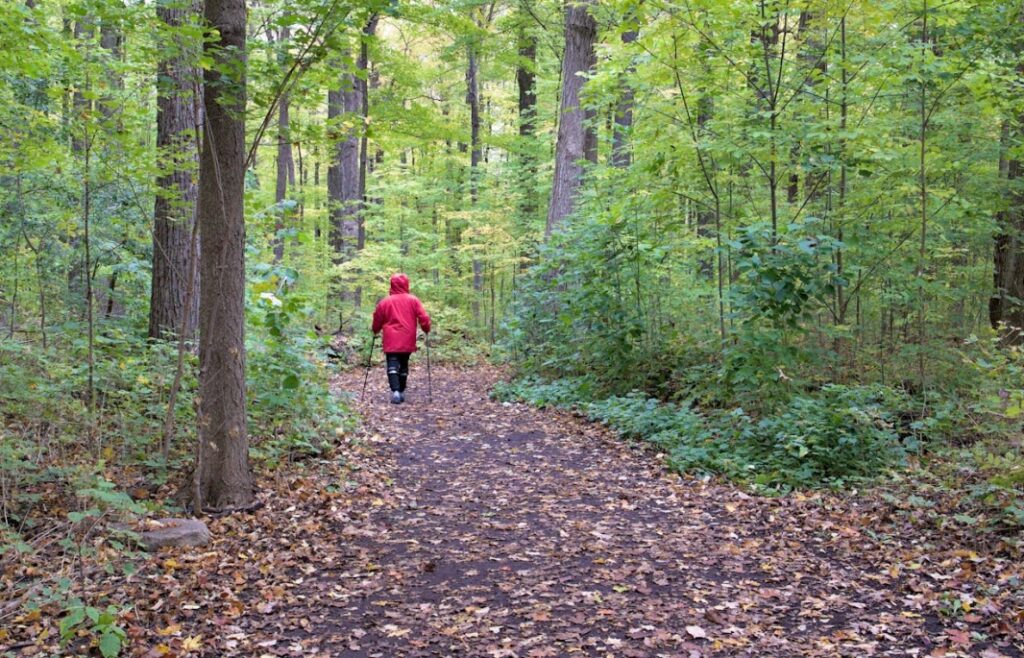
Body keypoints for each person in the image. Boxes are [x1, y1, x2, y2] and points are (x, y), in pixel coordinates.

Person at [371, 273, 431, 404]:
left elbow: (377, 319)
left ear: (392, 284)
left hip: (391, 338)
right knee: (403, 364)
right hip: (407, 337)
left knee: (392, 363)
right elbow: (424, 317)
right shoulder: (413, 300)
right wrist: (426, 328)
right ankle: (401, 390)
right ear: (406, 284)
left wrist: (375, 330)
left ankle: (396, 391)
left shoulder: (385, 302)